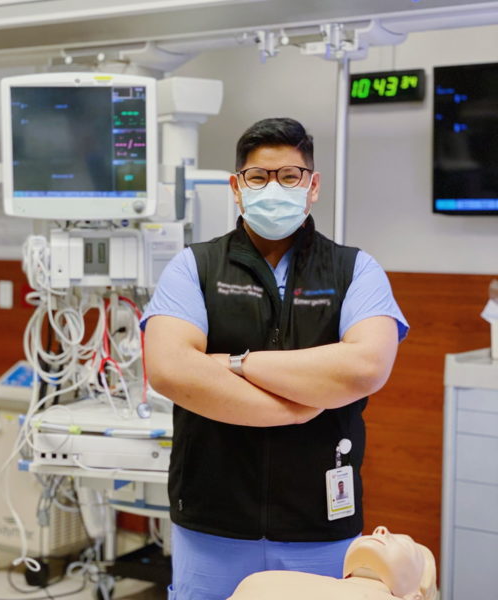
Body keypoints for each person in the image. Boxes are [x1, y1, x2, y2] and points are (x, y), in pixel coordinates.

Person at [142, 117, 409, 600]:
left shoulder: (355, 270)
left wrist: (234, 364)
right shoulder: (195, 267)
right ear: (236, 188)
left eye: (289, 176)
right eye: (258, 177)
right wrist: (299, 404)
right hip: (212, 520)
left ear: (312, 186)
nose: (274, 188)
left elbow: (365, 367)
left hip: (318, 523)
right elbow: (169, 369)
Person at [227, 526, 437, 600]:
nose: (381, 530)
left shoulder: (262, 581)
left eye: (404, 545)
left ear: (415, 596)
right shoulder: (261, 581)